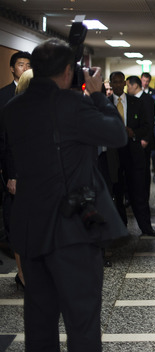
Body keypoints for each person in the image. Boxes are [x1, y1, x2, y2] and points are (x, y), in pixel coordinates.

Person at [0, 38, 128, 351]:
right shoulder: (72, 104)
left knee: (39, 319)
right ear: (69, 70)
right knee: (81, 321)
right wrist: (97, 96)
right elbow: (116, 135)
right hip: (72, 230)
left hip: (30, 227)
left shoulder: (13, 108)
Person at [108, 71, 155, 236]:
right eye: (114, 82)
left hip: (133, 153)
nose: (117, 85)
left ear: (124, 84)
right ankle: (121, 228)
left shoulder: (137, 103)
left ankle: (146, 227)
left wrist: (133, 132)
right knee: (117, 192)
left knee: (138, 191)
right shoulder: (105, 104)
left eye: (120, 82)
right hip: (113, 154)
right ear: (110, 83)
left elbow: (147, 126)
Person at [0, 50, 31, 290]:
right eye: (21, 65)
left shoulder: (39, 97)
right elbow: (6, 141)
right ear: (13, 69)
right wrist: (10, 174)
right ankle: (22, 274)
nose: (25, 69)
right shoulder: (4, 97)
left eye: (29, 65)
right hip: (15, 172)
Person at [126, 75, 155, 196]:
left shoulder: (146, 99)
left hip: (144, 141)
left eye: (128, 86)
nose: (126, 89)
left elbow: (149, 121)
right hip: (134, 141)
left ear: (135, 85)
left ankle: (144, 194)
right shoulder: (131, 100)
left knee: (144, 170)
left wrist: (145, 139)